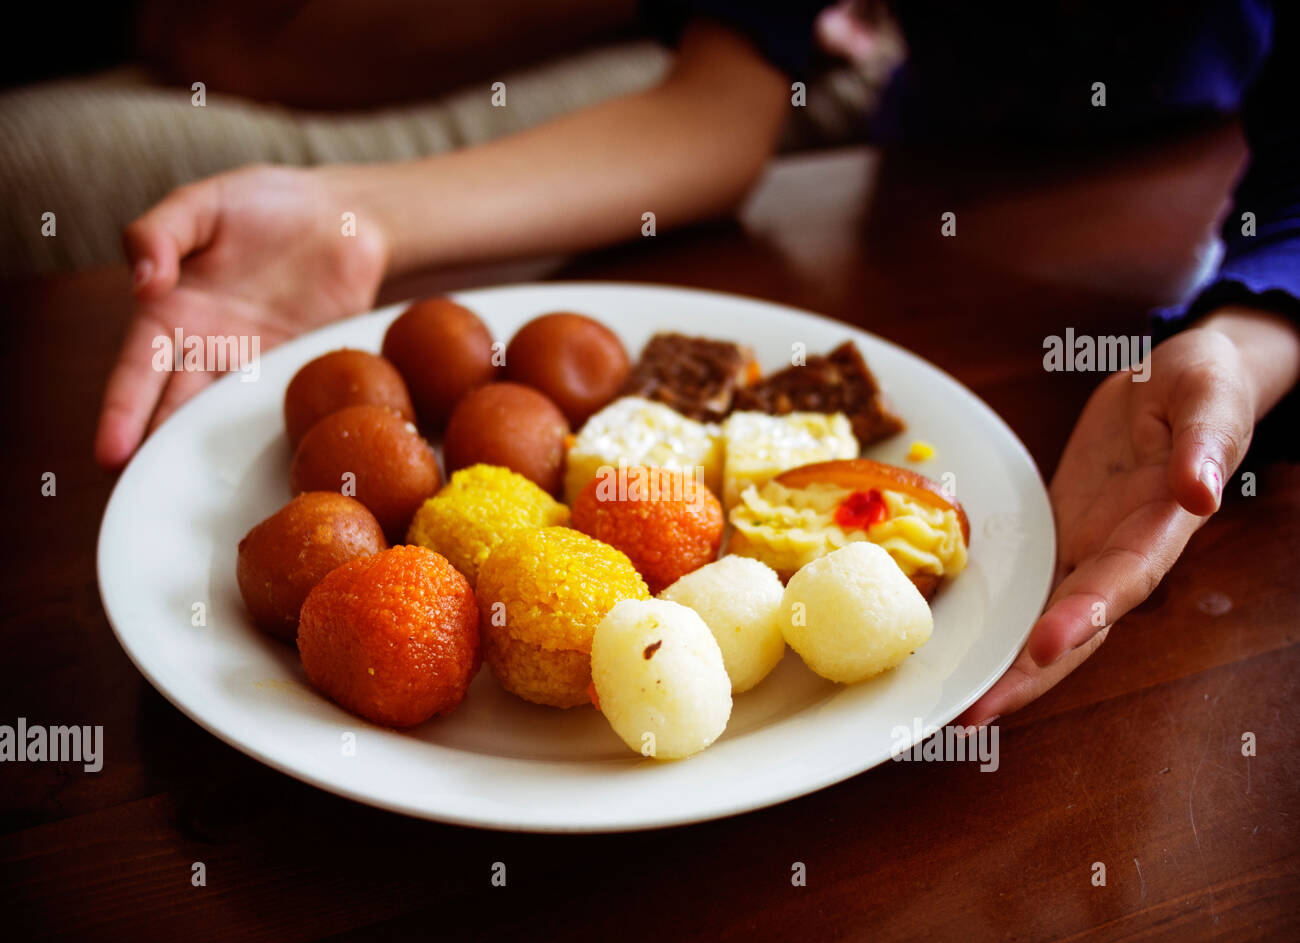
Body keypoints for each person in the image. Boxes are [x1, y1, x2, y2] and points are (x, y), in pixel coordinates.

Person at [94, 1, 1299, 724]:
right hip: (916, 187)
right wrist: (357, 216)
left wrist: (1250, 334)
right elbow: (716, 109)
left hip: (1192, 235)